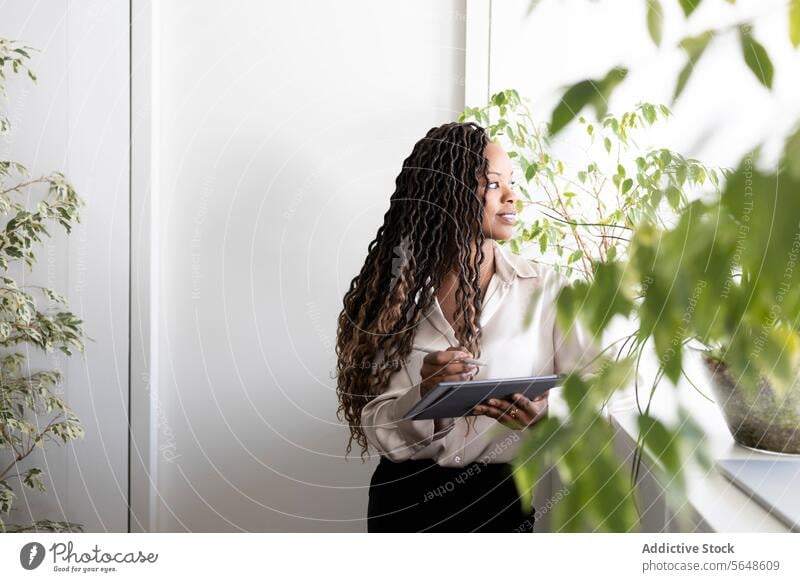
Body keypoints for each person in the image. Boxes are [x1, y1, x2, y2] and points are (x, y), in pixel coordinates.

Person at [334, 121, 598, 532]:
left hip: (508, 501)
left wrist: (549, 412)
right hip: (405, 503)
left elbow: (605, 381)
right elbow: (378, 426)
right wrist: (426, 394)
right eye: (493, 185)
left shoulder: (548, 290)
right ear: (448, 194)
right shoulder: (394, 300)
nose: (513, 196)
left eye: (512, 182)